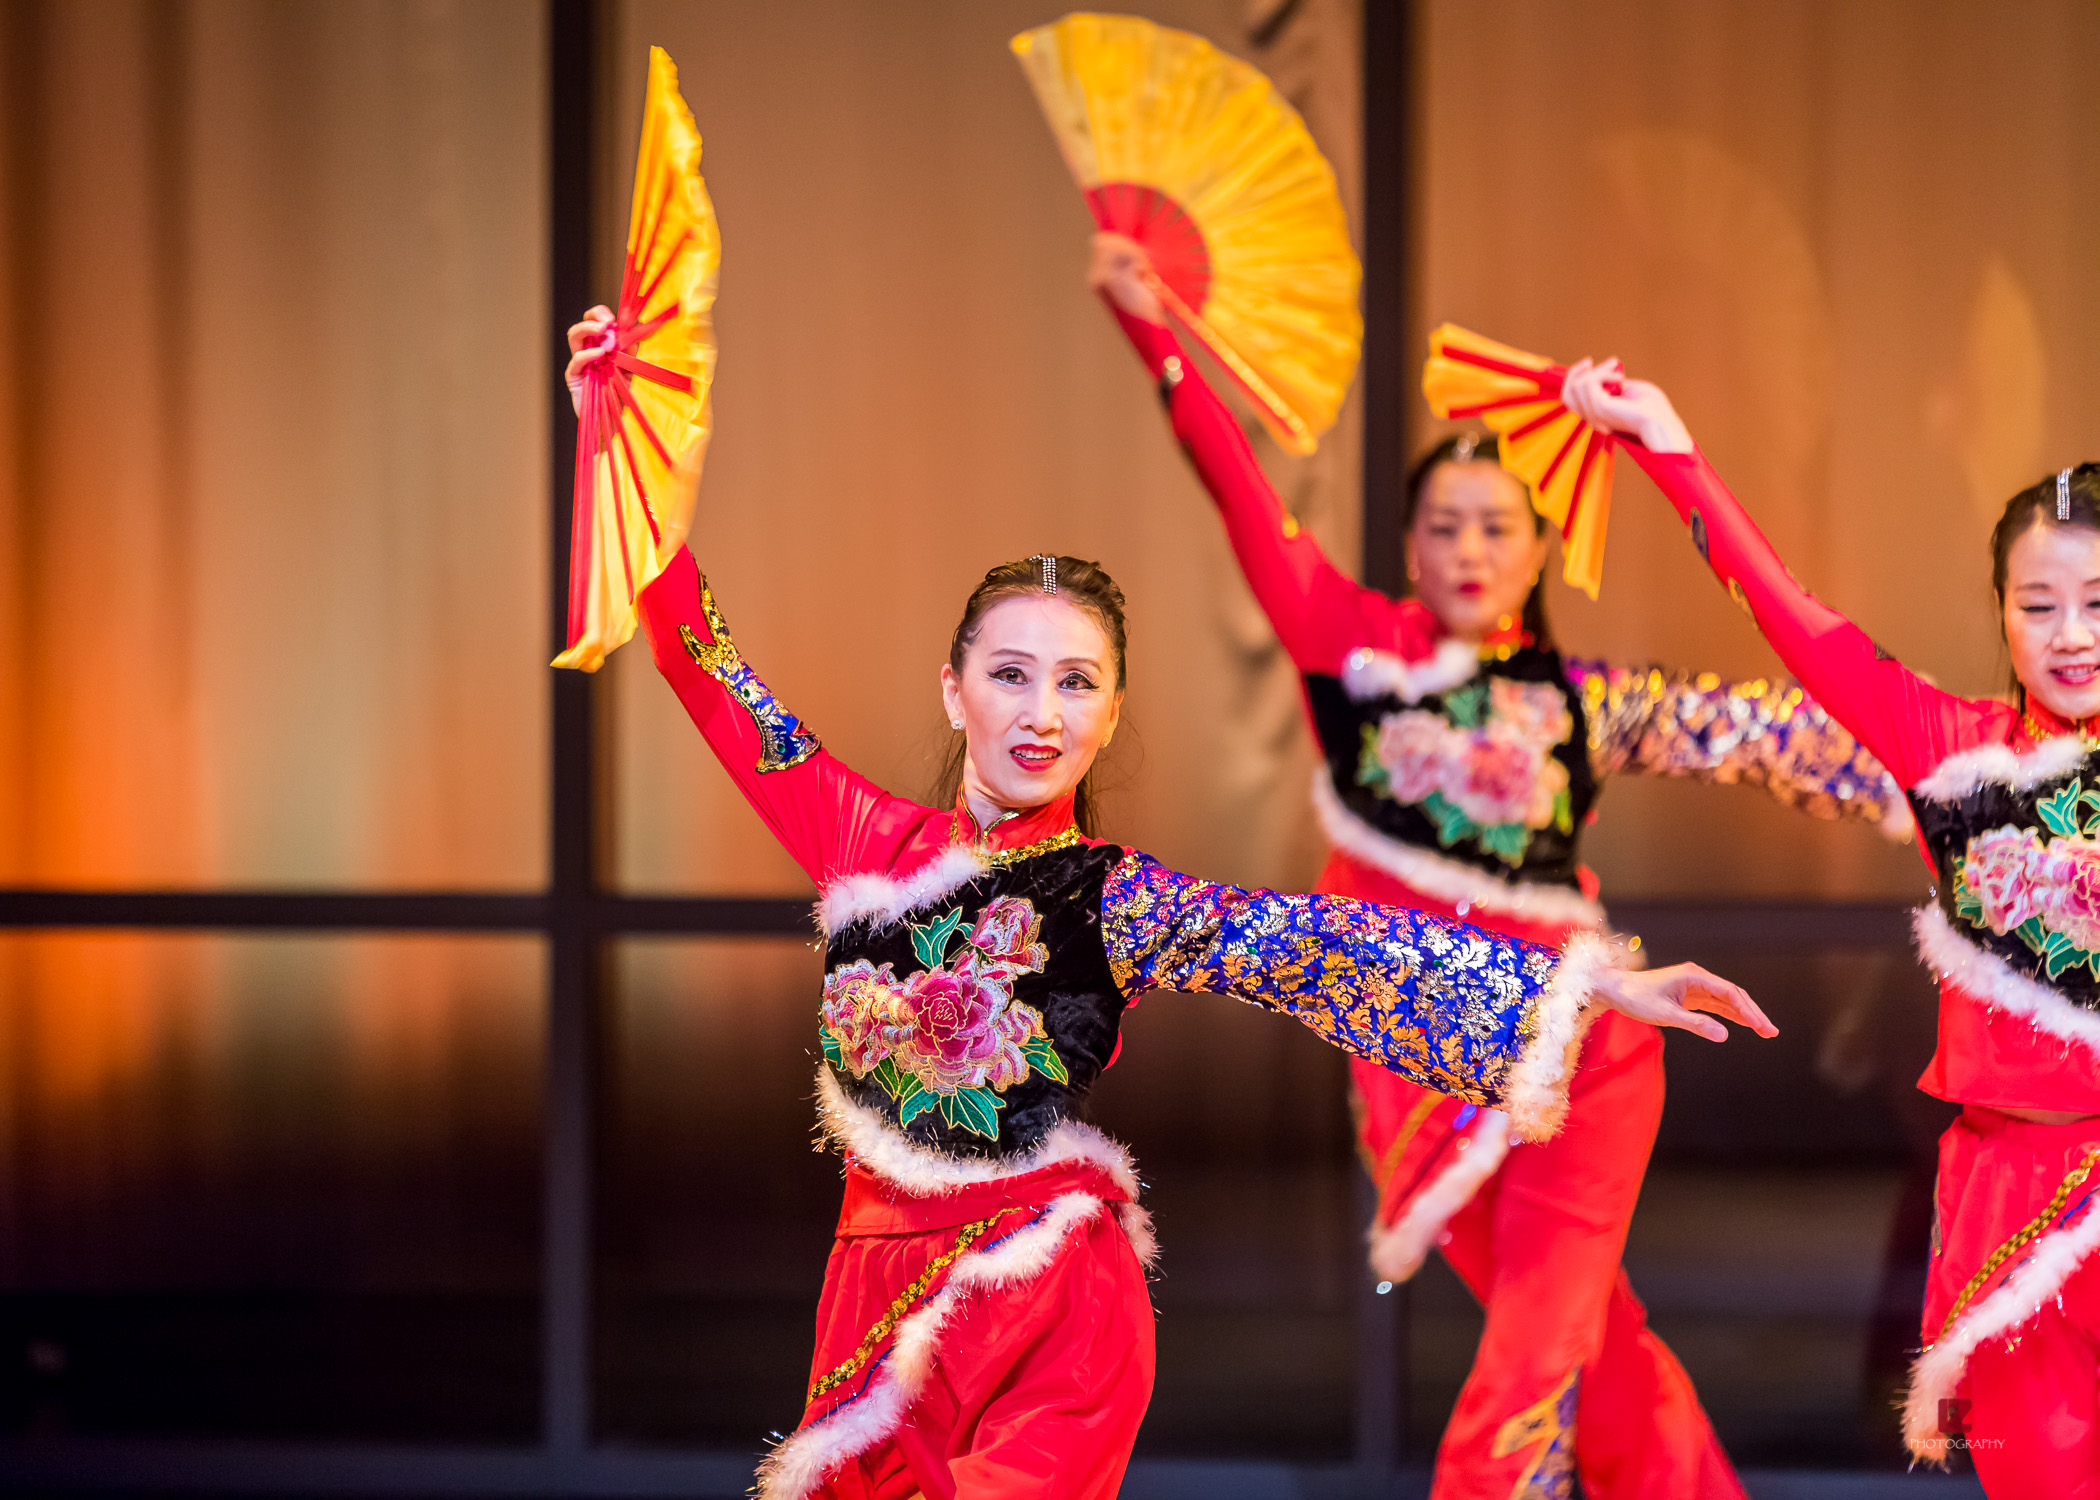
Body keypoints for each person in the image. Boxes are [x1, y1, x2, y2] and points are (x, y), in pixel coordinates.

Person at [562, 307, 1772, 1500]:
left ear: (1110, 714)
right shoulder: (859, 844)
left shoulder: (1115, 899)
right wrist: (619, 436)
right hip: (873, 1316)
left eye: (1076, 682)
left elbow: (1320, 946)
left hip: (1050, 1312)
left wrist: (1585, 979)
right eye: (1011, 675)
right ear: (953, 691)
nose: (1041, 713)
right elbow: (699, 660)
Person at [1091, 236, 1907, 1500]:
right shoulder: (1353, 653)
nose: (1470, 549)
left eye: (1497, 527)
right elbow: (1242, 496)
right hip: (1423, 1060)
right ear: (1409, 547)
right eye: (1444, 527)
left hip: (1589, 1050)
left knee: (1533, 1357)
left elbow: (1762, 733)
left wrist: (1953, 772)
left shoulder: (1582, 701)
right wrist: (1157, 332)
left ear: (1538, 548)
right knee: (1595, 1346)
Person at [1562, 354, 2100, 1496]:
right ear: (2000, 611)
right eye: (2038, 604)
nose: (2070, 634)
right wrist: (1671, 453)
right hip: (2011, 1205)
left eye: (2099, 603)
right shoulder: (1950, 752)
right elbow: (1793, 619)